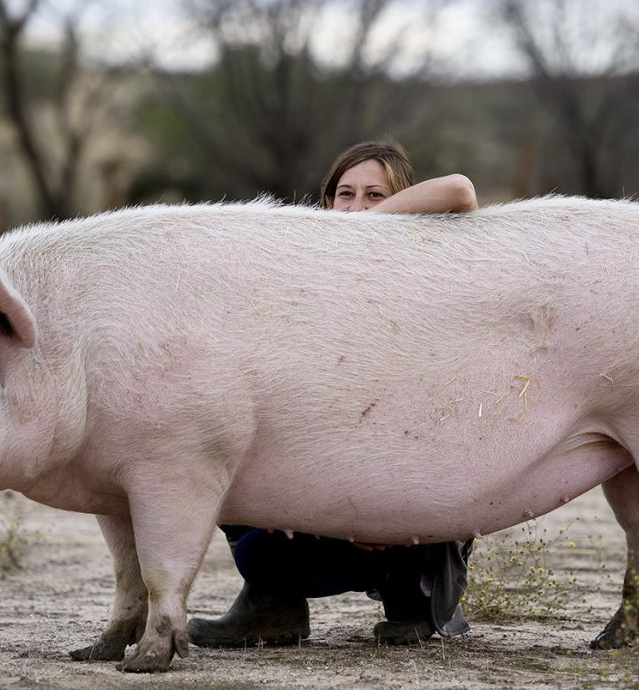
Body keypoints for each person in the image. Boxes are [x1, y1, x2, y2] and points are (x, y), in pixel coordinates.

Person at [187, 139, 478, 648]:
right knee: (229, 461)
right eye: (345, 195)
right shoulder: (302, 290)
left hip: (407, 505)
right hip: (327, 506)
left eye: (375, 194)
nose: (358, 206)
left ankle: (412, 600)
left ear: (404, 201)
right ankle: (270, 606)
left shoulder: (425, 280)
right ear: (325, 203)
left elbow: (459, 190)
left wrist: (363, 228)